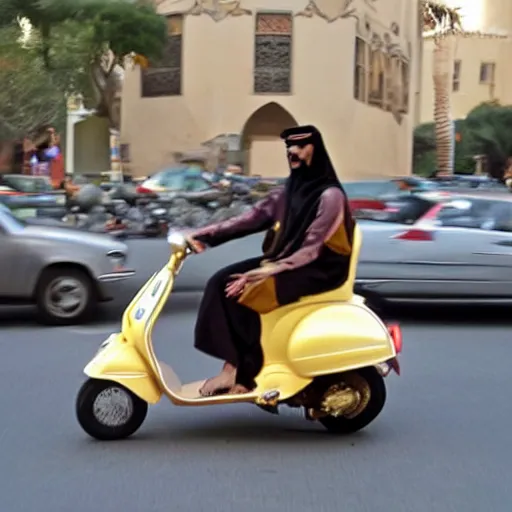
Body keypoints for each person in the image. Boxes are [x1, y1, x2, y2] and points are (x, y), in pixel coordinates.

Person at [187, 125, 355, 397]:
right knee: (220, 282)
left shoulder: (330, 196)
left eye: (300, 146)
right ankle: (231, 369)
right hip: (287, 259)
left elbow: (313, 248)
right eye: (290, 147)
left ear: (316, 150)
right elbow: (248, 220)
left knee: (249, 291)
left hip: (321, 268)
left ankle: (247, 378)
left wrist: (264, 273)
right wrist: (203, 235)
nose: (293, 152)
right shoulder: (287, 192)